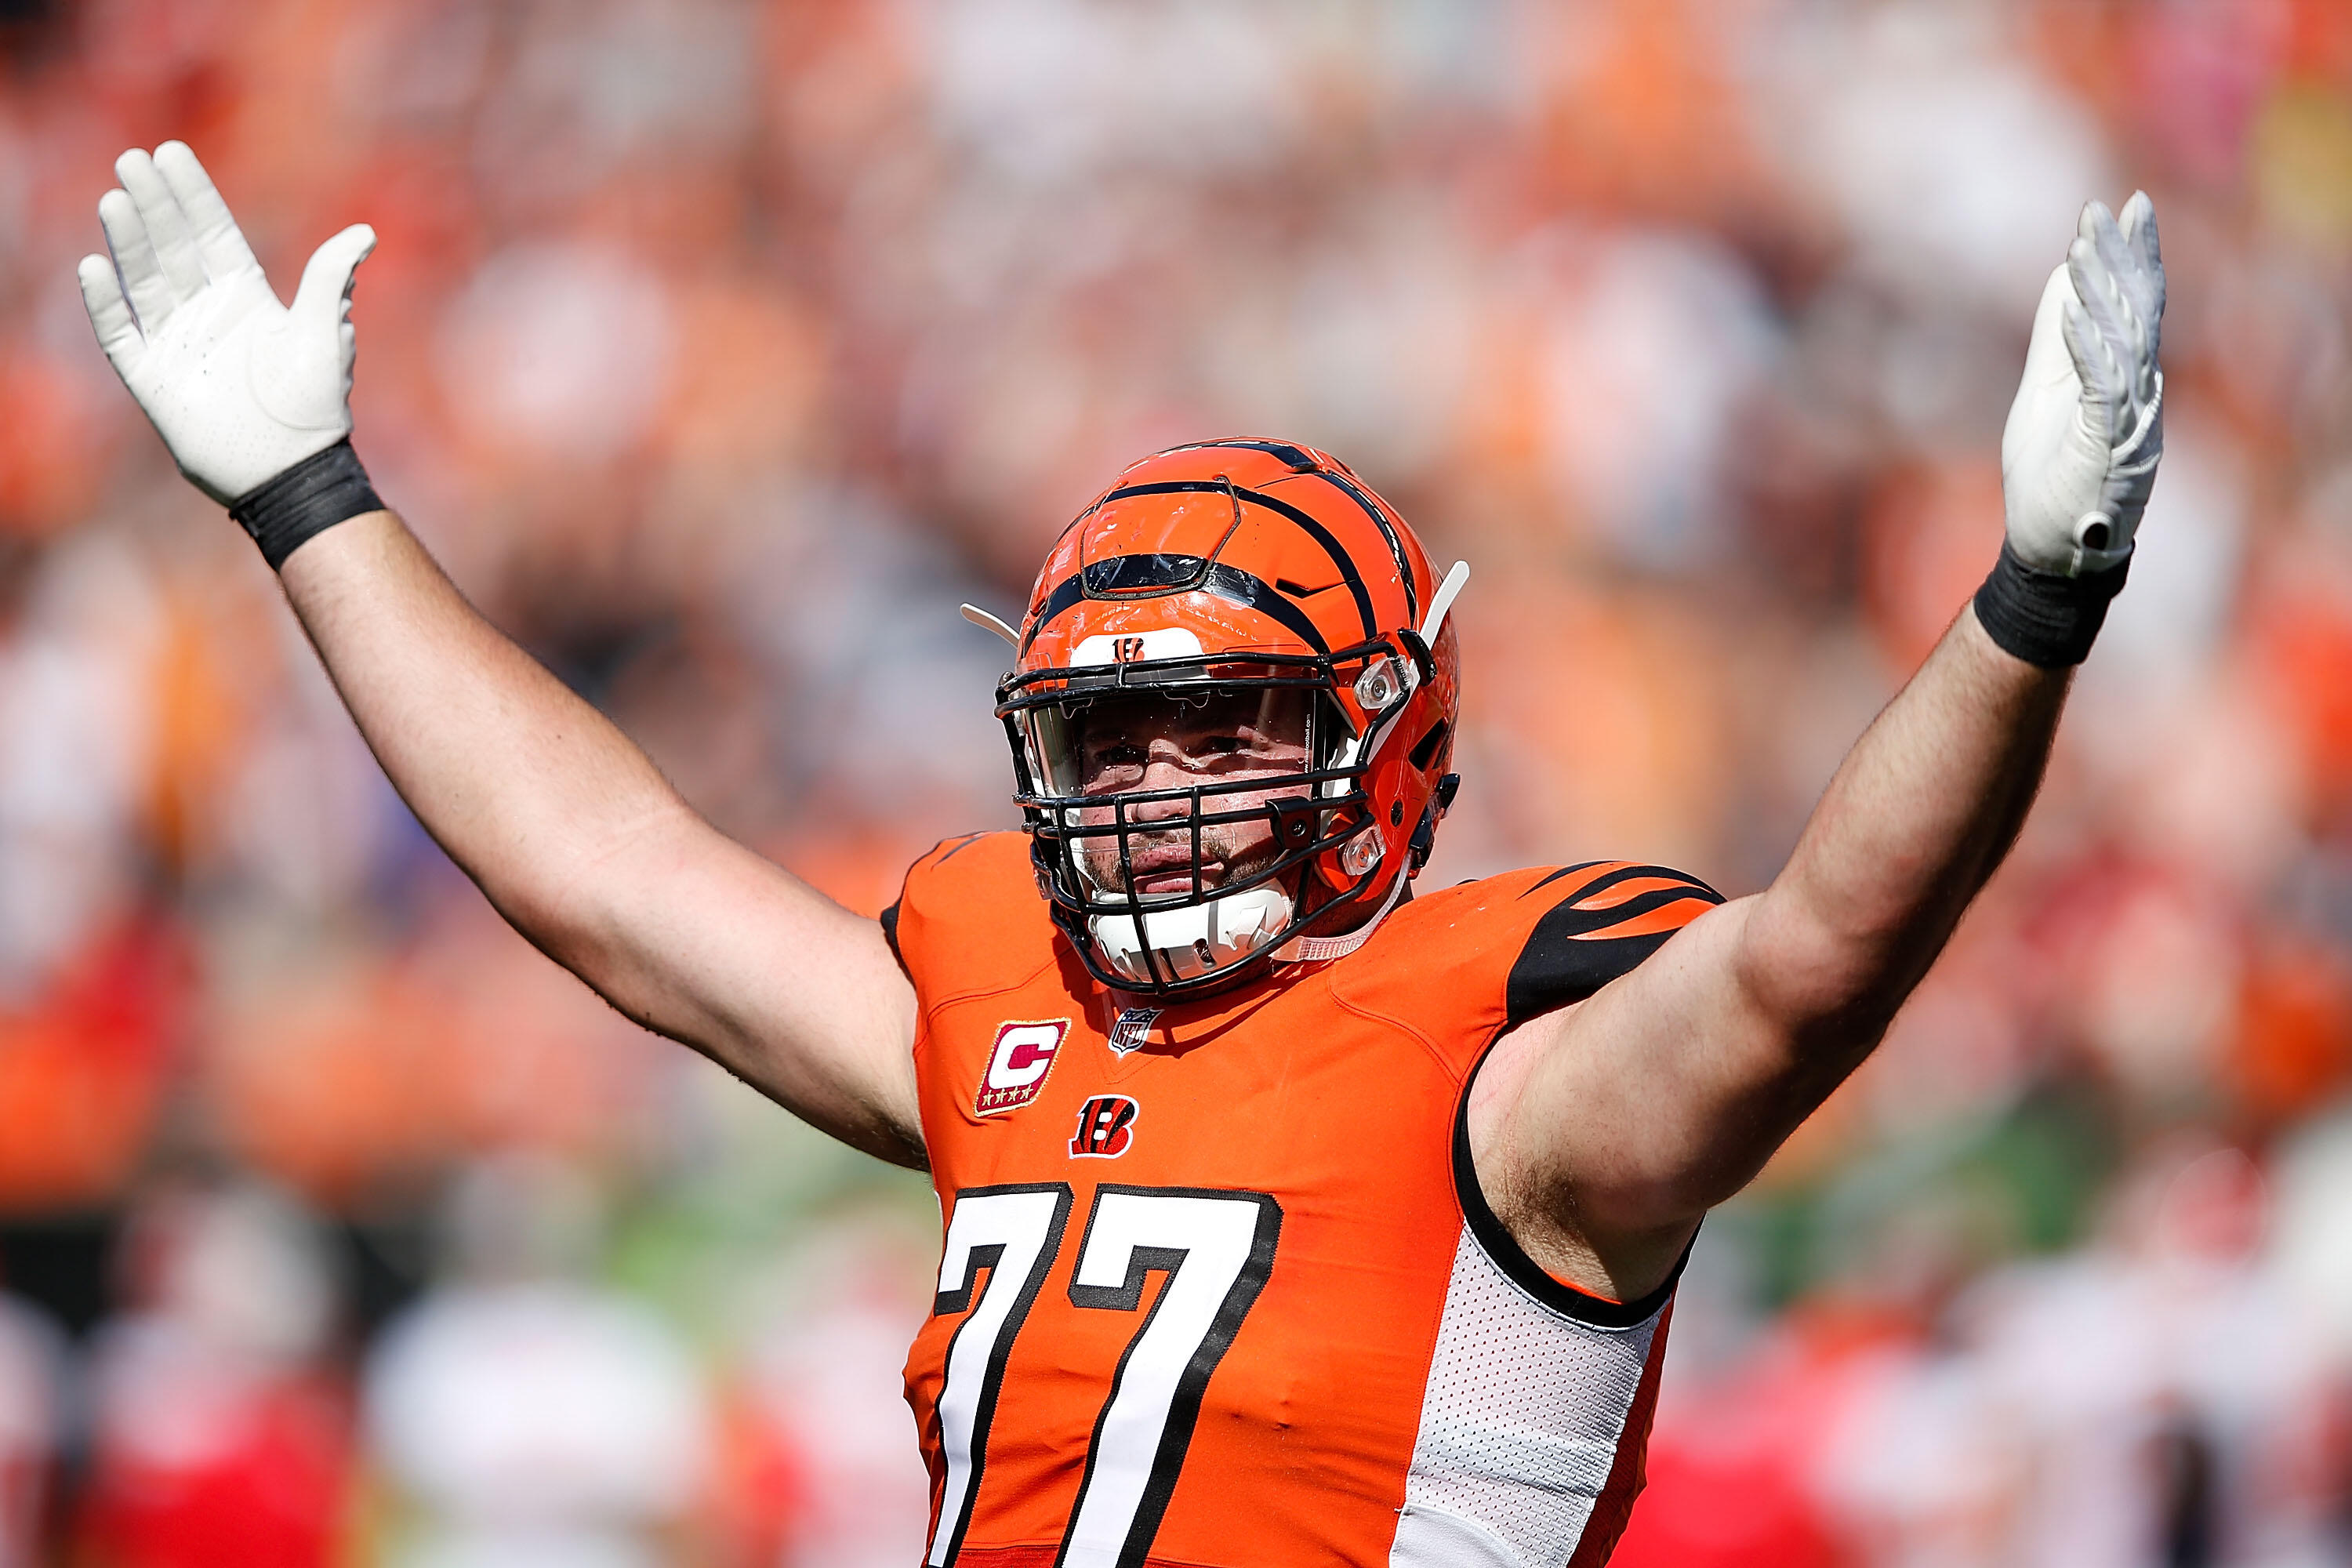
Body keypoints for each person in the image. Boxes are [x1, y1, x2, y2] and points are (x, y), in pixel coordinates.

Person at [77, 142, 2164, 1567]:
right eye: (1107, 732)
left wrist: (2029, 610)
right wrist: (310, 500)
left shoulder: (1509, 1080)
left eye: (1220, 721)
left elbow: (1814, 963)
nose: (1153, 784)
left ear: (1385, 736)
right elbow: (610, 875)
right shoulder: (1013, 1005)